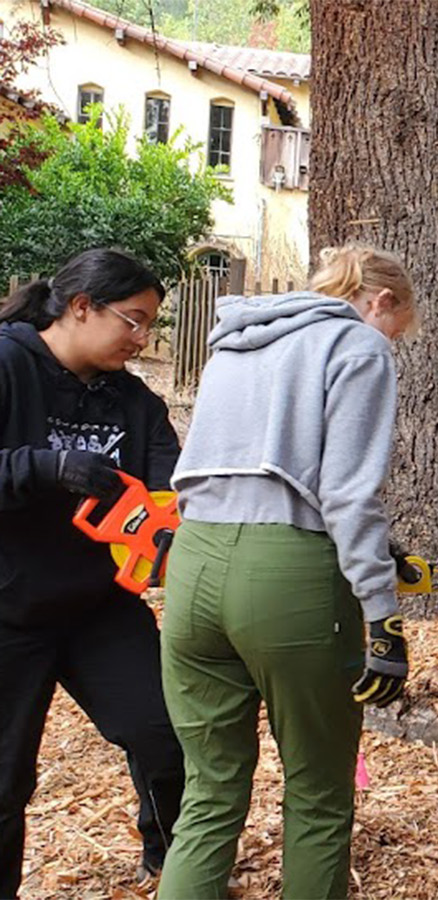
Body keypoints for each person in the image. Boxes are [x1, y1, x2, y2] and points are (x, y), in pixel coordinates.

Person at [156, 245, 416, 899]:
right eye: (398, 327)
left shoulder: (236, 340)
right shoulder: (357, 345)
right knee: (320, 793)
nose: (393, 342)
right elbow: (347, 494)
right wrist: (383, 617)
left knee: (210, 791)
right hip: (288, 577)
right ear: (379, 302)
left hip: (192, 567)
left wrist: (374, 551)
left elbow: (255, 467)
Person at [0, 249, 185, 896]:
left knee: (163, 732)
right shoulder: (7, 365)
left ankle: (169, 861)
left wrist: (171, 533)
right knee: (4, 779)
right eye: (132, 322)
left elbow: (174, 492)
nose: (142, 339)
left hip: (99, 608)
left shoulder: (135, 403)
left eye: (149, 326)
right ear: (82, 307)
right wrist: (42, 467)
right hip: (9, 608)